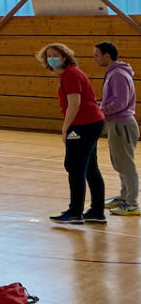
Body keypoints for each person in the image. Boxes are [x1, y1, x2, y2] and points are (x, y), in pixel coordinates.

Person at [39, 43, 106, 224]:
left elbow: (74, 104)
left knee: (75, 167)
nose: (51, 59)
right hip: (92, 123)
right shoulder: (69, 74)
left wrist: (65, 128)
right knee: (90, 168)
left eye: (55, 55)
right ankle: (97, 211)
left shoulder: (70, 74)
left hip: (83, 125)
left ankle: (75, 212)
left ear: (65, 56)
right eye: (48, 56)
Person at [93, 42, 139, 216]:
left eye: (97, 55)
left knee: (126, 164)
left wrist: (100, 110)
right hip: (117, 123)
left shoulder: (118, 74)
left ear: (107, 56)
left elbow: (120, 102)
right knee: (120, 163)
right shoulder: (114, 72)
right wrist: (100, 104)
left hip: (122, 124)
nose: (94, 58)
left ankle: (132, 204)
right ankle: (124, 197)